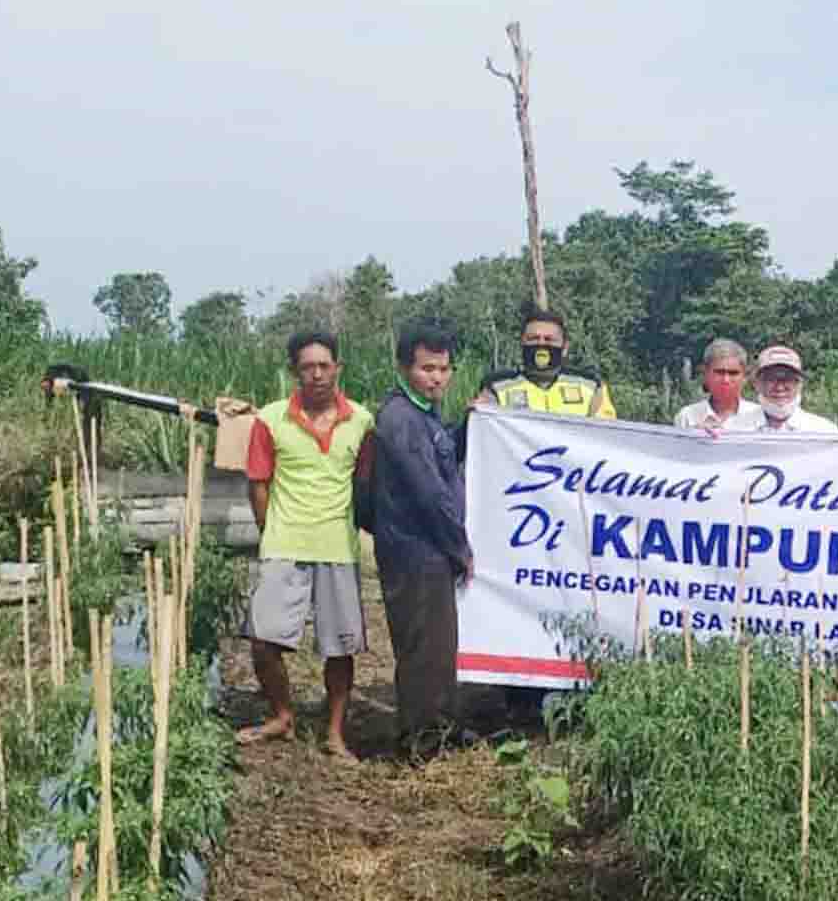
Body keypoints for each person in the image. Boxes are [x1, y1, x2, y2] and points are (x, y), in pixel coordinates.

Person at [238, 330, 373, 757]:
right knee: (263, 638)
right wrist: (270, 533)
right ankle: (282, 715)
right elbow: (258, 483)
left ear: (338, 369)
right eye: (307, 367)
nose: (317, 374)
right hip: (285, 542)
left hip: (337, 545)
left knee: (341, 645)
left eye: (324, 365)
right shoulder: (271, 419)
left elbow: (365, 482)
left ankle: (335, 733)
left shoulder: (362, 421)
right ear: (294, 372)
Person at [362, 321, 473, 760]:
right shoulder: (400, 419)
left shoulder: (424, 414)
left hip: (428, 551)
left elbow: (445, 450)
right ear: (405, 368)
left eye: (444, 369)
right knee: (421, 646)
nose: (437, 378)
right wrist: (459, 547)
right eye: (428, 369)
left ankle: (441, 726)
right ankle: (420, 738)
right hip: (414, 549)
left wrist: (470, 423)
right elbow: (429, 492)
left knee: (440, 643)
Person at [474, 308, 617, 418]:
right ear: (522, 344)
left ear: (565, 347)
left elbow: (606, 435)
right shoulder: (496, 387)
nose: (541, 344)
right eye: (533, 338)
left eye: (549, 339)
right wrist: (475, 415)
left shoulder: (591, 386)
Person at [675, 337, 761, 432]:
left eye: (733, 373)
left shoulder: (759, 417)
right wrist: (695, 435)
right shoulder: (687, 417)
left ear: (744, 377)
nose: (726, 380)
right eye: (719, 372)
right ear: (705, 374)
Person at [747, 344, 838, 431]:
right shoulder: (736, 429)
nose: (780, 387)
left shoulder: (824, 430)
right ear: (757, 384)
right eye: (771, 379)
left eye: (788, 379)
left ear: (800, 384)